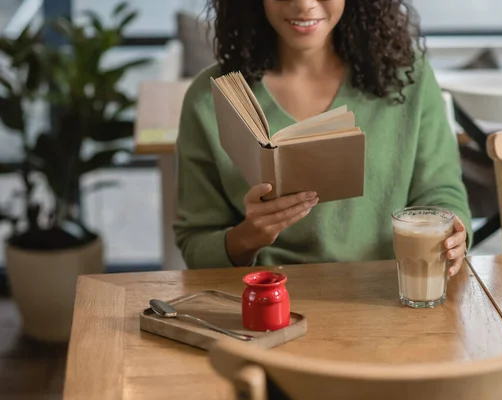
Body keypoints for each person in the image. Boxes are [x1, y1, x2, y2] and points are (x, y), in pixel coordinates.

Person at [173, 0, 472, 274]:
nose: (304, 4)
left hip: (386, 298)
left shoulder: (410, 78)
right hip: (266, 306)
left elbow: (441, 192)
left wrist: (454, 231)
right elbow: (196, 245)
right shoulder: (210, 99)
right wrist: (248, 237)